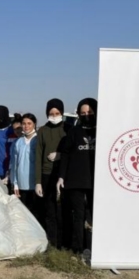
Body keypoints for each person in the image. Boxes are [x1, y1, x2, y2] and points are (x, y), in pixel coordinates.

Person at [57, 98, 98, 254]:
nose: (86, 115)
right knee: (79, 216)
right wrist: (61, 176)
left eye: (89, 112)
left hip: (97, 181)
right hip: (76, 180)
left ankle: (98, 247)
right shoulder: (74, 131)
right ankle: (80, 248)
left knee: (96, 215)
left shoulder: (104, 131)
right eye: (83, 113)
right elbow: (66, 154)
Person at [35, 99, 68, 245]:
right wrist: (38, 182)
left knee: (62, 210)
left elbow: (72, 151)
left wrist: (61, 154)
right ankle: (51, 242)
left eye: (57, 113)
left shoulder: (68, 129)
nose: (54, 116)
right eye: (51, 113)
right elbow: (38, 156)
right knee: (49, 211)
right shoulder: (42, 130)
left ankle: (64, 242)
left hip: (63, 174)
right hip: (46, 174)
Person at [11, 113, 39, 217]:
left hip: (34, 183)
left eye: (29, 123)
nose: (26, 126)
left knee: (35, 213)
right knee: (23, 213)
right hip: (21, 184)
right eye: (23, 123)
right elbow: (14, 164)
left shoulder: (38, 140)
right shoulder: (18, 142)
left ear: (34, 124)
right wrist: (15, 183)